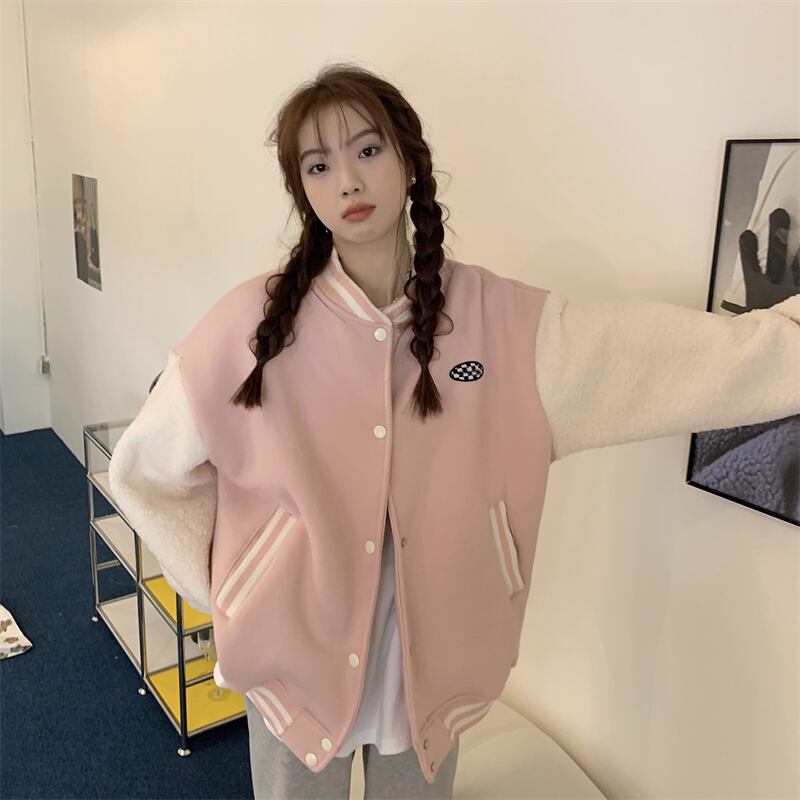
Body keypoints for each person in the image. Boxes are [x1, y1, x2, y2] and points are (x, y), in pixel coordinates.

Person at [108, 63, 800, 800]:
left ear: (409, 159)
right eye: (318, 165)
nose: (348, 181)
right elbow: (143, 471)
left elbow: (660, 360)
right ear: (301, 189)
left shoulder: (504, 325)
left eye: (367, 150)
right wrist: (235, 589)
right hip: (291, 668)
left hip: (430, 672)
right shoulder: (248, 327)